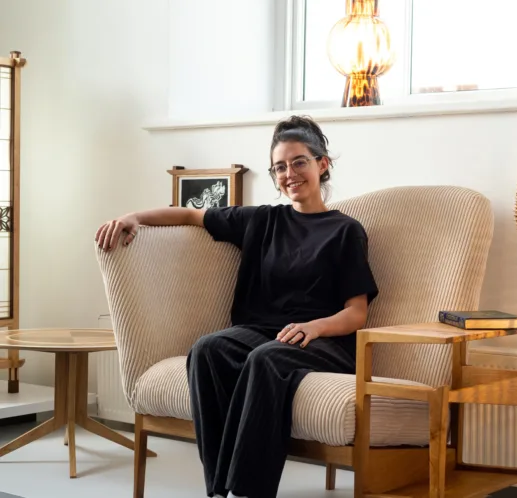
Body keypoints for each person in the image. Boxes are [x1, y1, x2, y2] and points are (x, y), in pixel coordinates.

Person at [94, 116, 379, 498]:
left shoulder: (345, 231)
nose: (289, 174)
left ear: (321, 164)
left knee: (267, 359)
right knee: (207, 349)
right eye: (280, 167)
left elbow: (356, 312)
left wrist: (314, 327)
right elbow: (189, 214)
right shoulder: (261, 220)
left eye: (299, 162)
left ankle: (248, 492)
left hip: (324, 342)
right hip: (261, 332)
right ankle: (219, 489)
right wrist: (133, 217)